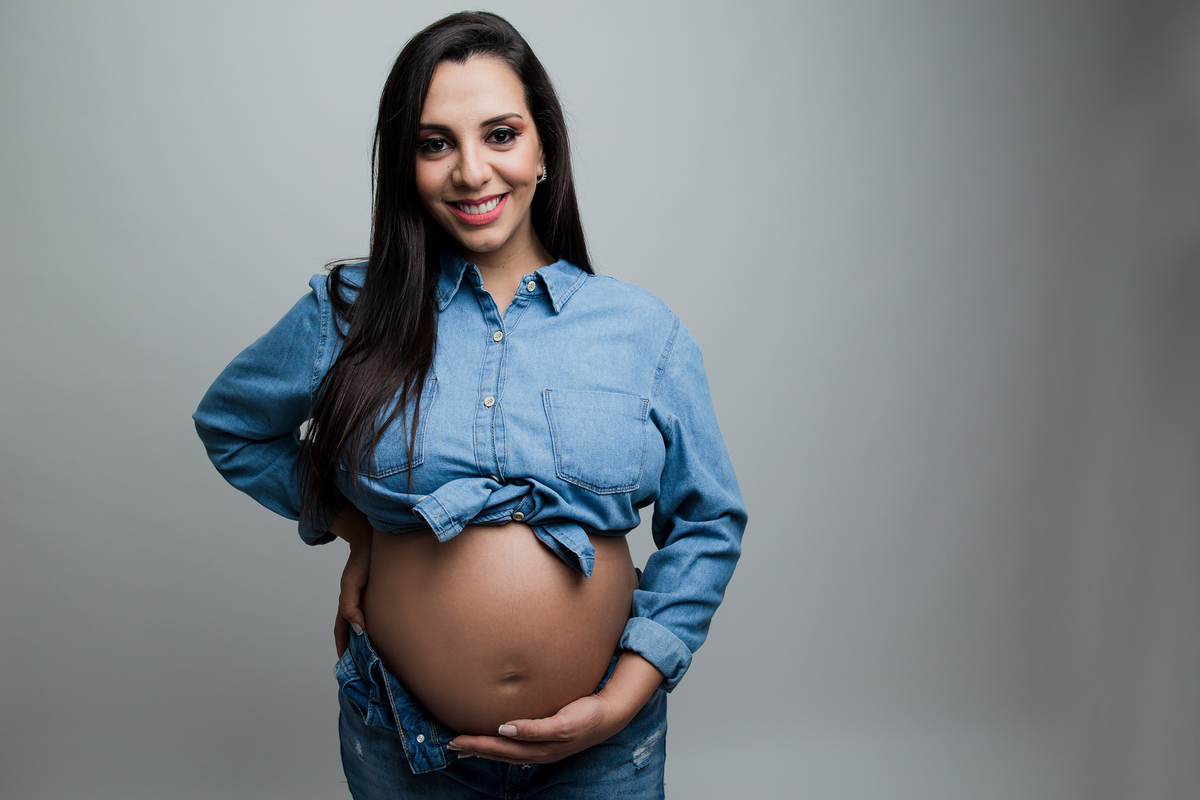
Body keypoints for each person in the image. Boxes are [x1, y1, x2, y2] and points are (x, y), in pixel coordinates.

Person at [194, 11, 745, 799]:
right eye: (435, 143)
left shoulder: (641, 330)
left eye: (500, 134)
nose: (472, 172)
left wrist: (628, 690)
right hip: (405, 740)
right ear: (407, 165)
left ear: (543, 147)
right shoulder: (349, 310)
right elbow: (234, 428)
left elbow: (709, 519)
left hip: (604, 748)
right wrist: (356, 529)